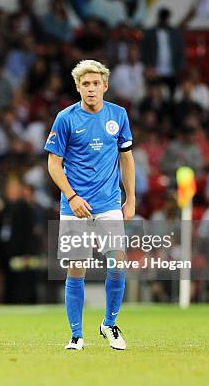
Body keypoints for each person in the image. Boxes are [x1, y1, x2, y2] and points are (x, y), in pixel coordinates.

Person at [44, 60, 135, 351]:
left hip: (109, 202)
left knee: (118, 263)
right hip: (75, 205)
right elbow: (53, 164)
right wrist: (71, 196)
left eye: (96, 83)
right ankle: (76, 334)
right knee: (77, 268)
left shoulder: (119, 115)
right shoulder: (65, 118)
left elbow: (126, 159)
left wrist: (130, 198)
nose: (91, 88)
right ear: (78, 87)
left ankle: (109, 323)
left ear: (105, 86)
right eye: (86, 84)